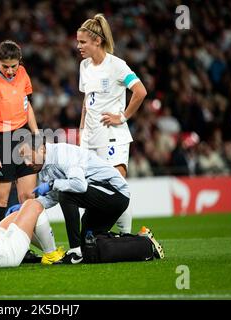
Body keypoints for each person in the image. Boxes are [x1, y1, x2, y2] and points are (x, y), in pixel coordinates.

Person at [18, 134, 163, 264]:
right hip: (103, 196)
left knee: (67, 194)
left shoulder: (62, 154)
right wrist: (29, 206)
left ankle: (75, 251)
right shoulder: (43, 166)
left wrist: (52, 184)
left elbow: (79, 186)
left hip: (116, 193)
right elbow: (54, 196)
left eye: (28, 156)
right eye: (23, 158)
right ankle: (144, 242)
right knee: (91, 246)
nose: (26, 163)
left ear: (42, 149)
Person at [76, 14, 147, 235]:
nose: (78, 46)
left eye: (82, 42)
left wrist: (122, 117)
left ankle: (127, 237)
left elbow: (140, 91)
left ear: (97, 41)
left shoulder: (117, 66)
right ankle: (93, 237)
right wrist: (81, 130)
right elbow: (87, 101)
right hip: (90, 138)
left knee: (116, 187)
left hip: (112, 137)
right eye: (78, 41)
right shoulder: (84, 66)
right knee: (91, 190)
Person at [0, 40, 39, 225]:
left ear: (19, 61)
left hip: (22, 135)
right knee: (0, 200)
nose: (10, 71)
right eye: (5, 67)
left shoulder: (23, 73)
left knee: (28, 197)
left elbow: (27, 106)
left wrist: (37, 134)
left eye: (14, 66)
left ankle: (23, 245)